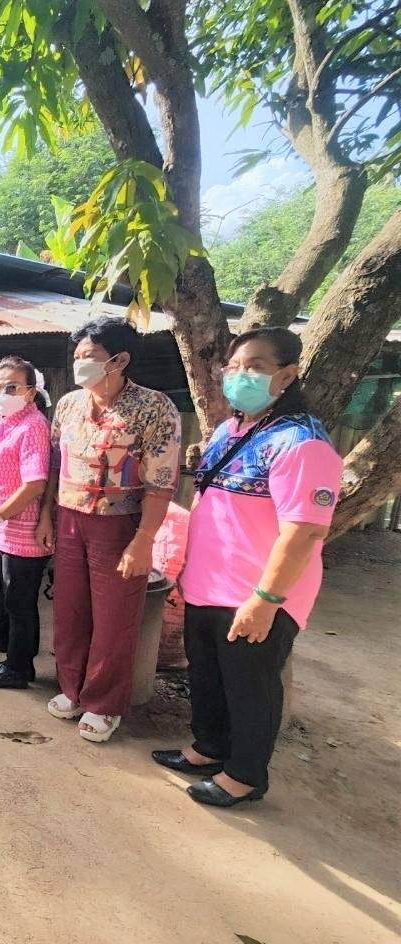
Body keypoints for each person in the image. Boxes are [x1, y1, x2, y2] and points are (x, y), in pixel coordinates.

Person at [155, 327, 341, 807]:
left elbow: (303, 531)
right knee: (207, 676)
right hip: (207, 583)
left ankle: (244, 775)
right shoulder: (229, 431)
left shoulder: (302, 443)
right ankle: (208, 747)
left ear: (287, 375)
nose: (240, 375)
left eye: (255, 366)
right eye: (234, 366)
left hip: (255, 592)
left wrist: (266, 600)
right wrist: (186, 568)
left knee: (250, 687)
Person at [39, 318, 181, 742]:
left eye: (90, 356)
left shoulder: (155, 407)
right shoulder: (69, 405)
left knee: (115, 617)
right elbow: (54, 465)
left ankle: (104, 703)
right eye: (78, 355)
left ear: (119, 360)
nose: (80, 363)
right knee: (70, 610)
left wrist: (144, 540)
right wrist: (47, 516)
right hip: (69, 519)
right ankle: (72, 688)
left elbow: (161, 482)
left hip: (121, 524)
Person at [0, 357, 53, 689]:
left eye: (12, 387)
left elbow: (34, 484)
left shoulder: (32, 426)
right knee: (12, 599)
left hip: (23, 529)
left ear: (30, 392)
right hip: (4, 528)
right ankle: (15, 660)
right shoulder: (8, 422)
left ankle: (18, 669)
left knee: (20, 603)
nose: (1, 393)